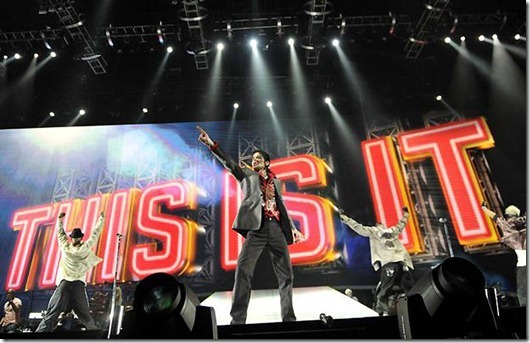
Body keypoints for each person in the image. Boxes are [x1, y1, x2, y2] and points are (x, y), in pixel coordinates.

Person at [197, 126, 305, 325]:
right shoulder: (247, 176)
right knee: (243, 270)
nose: (254, 160)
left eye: (258, 158)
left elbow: (282, 208)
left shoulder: (276, 182)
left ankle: (289, 319)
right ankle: (237, 320)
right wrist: (211, 144)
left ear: (266, 162)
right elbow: (229, 163)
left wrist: (293, 229)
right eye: (253, 158)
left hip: (277, 229)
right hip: (257, 229)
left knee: (286, 276)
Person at [36, 211, 105, 332]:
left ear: (76, 238)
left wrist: (60, 221)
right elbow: (95, 234)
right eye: (74, 238)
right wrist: (101, 219)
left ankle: (41, 332)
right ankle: (93, 332)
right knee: (80, 311)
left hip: (71, 282)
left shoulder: (66, 247)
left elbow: (60, 234)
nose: (74, 239)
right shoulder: (84, 247)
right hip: (74, 282)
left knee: (57, 309)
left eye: (75, 238)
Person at [340, 207, 413, 316]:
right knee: (409, 288)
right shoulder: (393, 231)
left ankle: (381, 311)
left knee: (384, 290)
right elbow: (402, 224)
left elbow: (358, 227)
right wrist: (406, 214)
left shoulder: (374, 231)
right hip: (402, 263)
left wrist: (344, 218)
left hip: (390, 265)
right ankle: (414, 306)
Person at [482, 202, 526, 306]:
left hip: (523, 267)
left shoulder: (512, 231)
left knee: (523, 295)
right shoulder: (517, 229)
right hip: (523, 267)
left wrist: (484, 209)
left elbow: (497, 219)